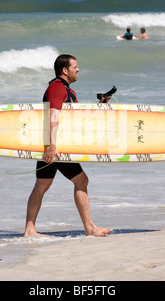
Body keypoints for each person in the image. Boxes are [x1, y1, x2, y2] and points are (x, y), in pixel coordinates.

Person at [24, 54, 112, 238]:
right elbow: (53, 116)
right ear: (65, 70)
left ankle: (30, 230)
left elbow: (74, 119)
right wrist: (52, 146)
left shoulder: (67, 90)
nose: (78, 69)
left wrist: (100, 106)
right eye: (75, 67)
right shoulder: (56, 88)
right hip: (57, 148)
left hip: (54, 146)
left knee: (42, 185)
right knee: (81, 181)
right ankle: (89, 228)